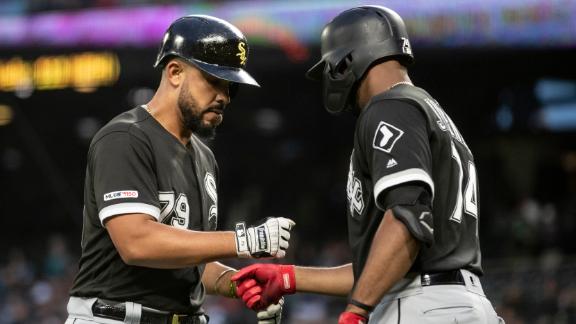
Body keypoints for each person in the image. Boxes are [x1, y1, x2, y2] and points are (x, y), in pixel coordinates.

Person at [232, 6, 504, 324]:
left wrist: (356, 310)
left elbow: (407, 219)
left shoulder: (389, 106)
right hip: (462, 302)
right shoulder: (431, 113)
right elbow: (382, 265)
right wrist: (289, 277)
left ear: (345, 61)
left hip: (421, 305)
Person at [66, 15, 294, 324]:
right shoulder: (126, 138)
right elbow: (136, 242)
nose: (224, 96)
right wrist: (244, 240)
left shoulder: (203, 156)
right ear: (175, 72)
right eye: (214, 80)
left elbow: (191, 264)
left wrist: (238, 285)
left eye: (229, 87)